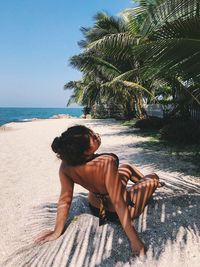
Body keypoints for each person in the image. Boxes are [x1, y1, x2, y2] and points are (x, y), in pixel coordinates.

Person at [35, 125, 163, 256]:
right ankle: (147, 185)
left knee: (127, 167)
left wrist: (56, 231)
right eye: (94, 136)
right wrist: (135, 241)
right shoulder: (107, 161)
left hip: (96, 208)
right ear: (86, 151)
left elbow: (65, 200)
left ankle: (139, 183)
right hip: (118, 211)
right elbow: (118, 202)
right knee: (153, 178)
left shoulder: (66, 166)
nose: (97, 135)